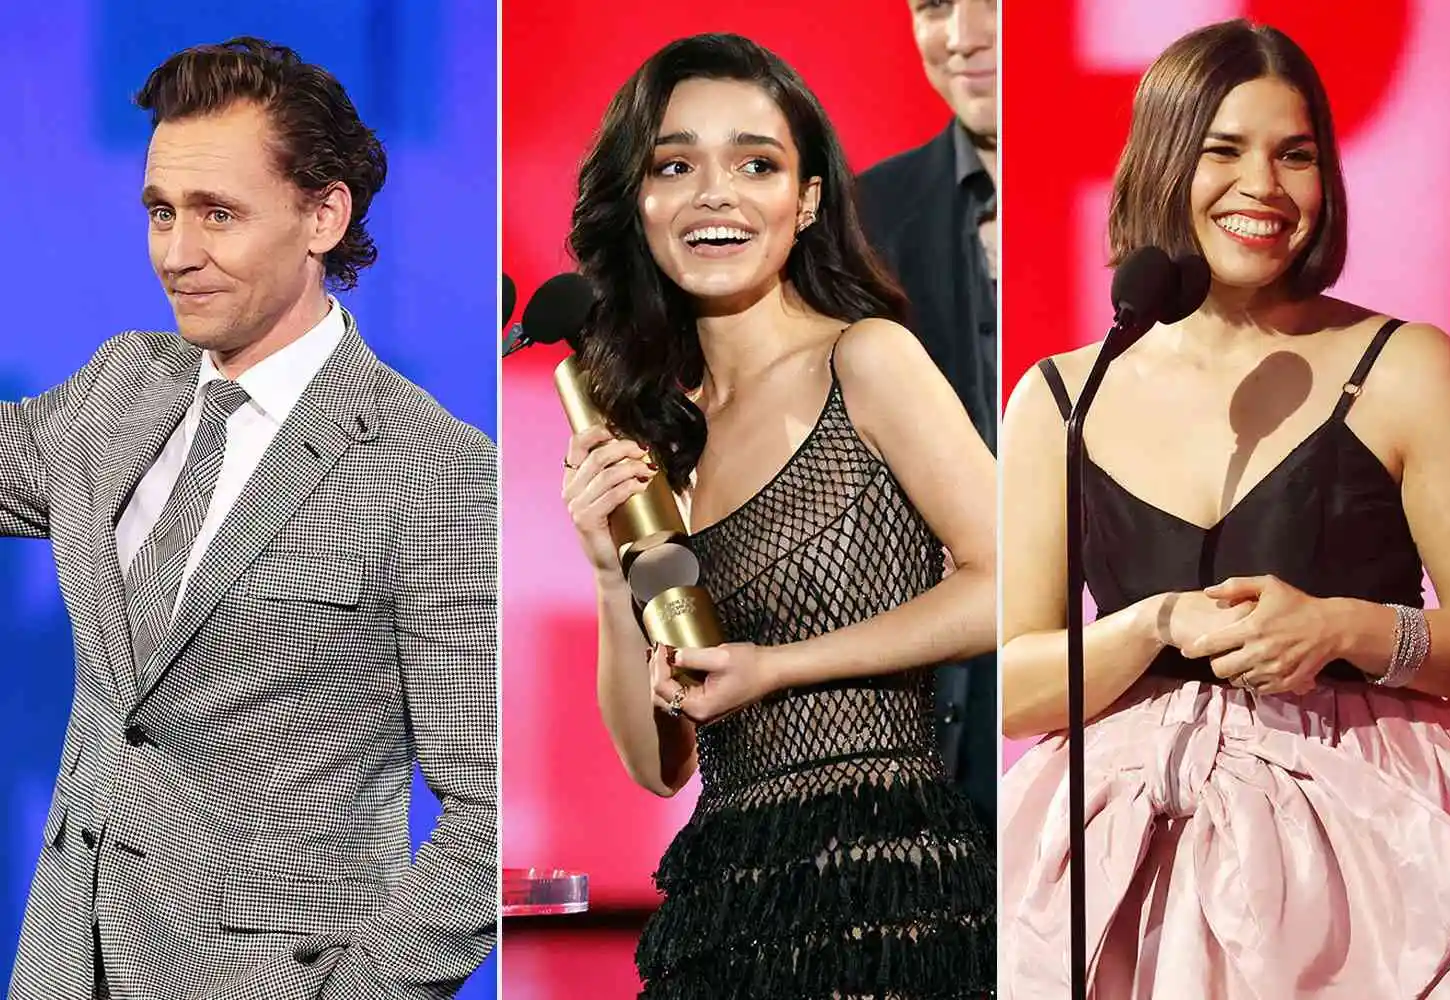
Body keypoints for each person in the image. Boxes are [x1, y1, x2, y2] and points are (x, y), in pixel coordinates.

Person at [1001, 19, 1450, 998]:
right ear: (1161, 160)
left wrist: (1344, 629)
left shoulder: (1405, 368)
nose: (1264, 187)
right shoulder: (1061, 394)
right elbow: (1019, 686)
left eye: (1296, 154)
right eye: (1223, 150)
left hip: (1371, 855)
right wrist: (1155, 623)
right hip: (1126, 853)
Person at [2, 38, 496, 1000]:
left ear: (323, 214)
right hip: (63, 968)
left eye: (217, 215)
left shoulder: (428, 467)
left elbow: (491, 808)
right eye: (160, 212)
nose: (177, 254)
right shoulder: (119, 386)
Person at [560, 32, 996, 999]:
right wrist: (604, 571)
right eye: (676, 165)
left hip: (883, 890)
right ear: (641, 202)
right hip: (723, 908)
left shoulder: (866, 359)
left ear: (804, 202)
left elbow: (1007, 585)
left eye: (755, 163)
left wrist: (779, 668)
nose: (715, 193)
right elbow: (656, 766)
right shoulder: (658, 433)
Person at [857, 0, 997, 833]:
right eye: (934, 4)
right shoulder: (863, 220)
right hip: (923, 715)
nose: (961, 36)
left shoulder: (1157, 211)